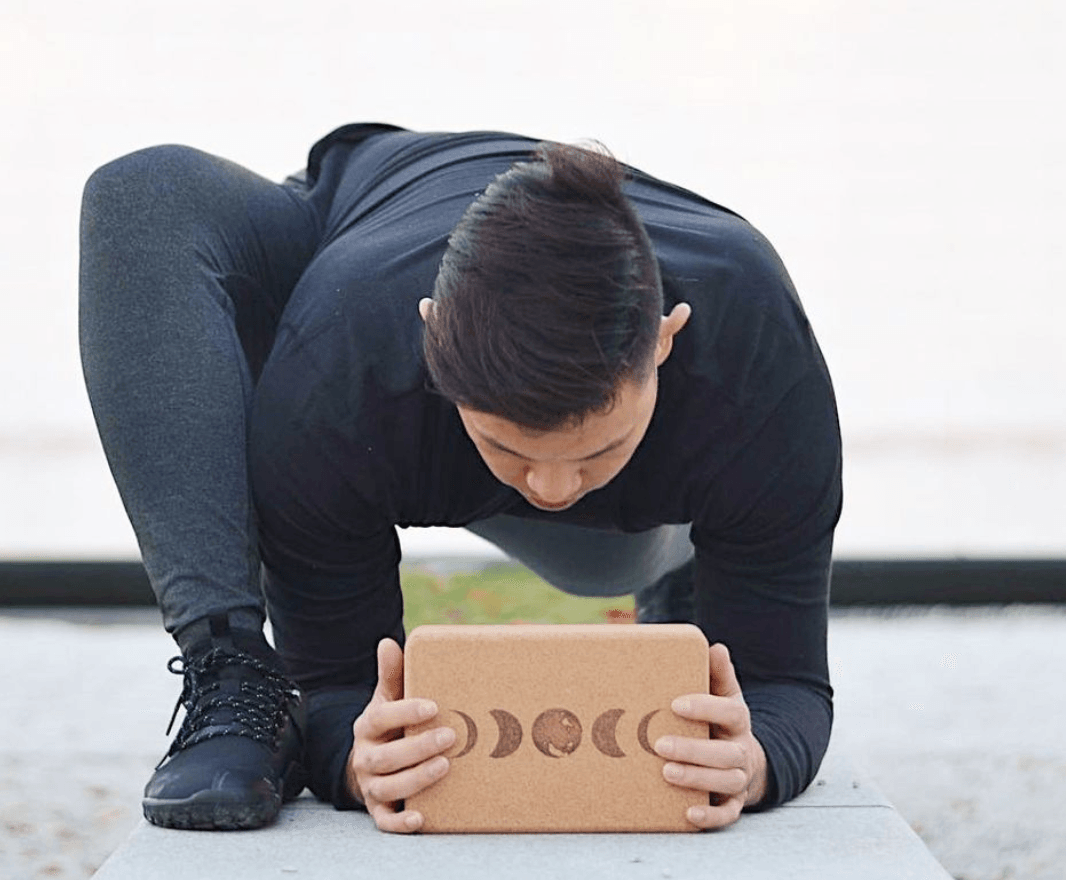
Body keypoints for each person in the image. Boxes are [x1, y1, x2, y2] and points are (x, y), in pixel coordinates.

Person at [78, 122, 841, 835]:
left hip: (640, 530)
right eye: (510, 450)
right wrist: (353, 754)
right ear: (429, 334)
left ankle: (679, 585)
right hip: (358, 294)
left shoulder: (758, 355)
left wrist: (759, 757)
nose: (549, 488)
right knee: (142, 193)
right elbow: (340, 687)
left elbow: (791, 684)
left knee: (630, 554)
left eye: (594, 453)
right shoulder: (337, 371)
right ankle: (234, 675)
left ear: (665, 343)